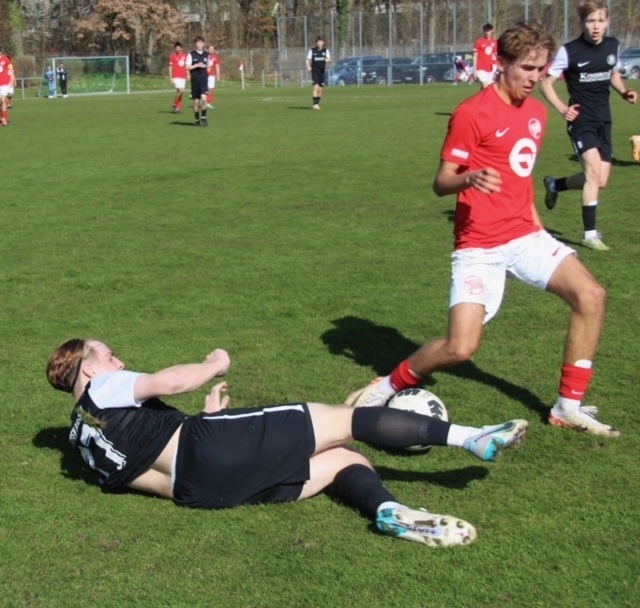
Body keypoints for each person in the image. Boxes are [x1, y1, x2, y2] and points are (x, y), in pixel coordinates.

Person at [347, 21, 619, 439]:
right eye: (527, 68)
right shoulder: (472, 113)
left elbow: (521, 177)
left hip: (525, 235)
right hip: (479, 243)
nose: (535, 78)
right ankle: (385, 387)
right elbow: (442, 182)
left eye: (541, 70)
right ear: (503, 62)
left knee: (591, 296)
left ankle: (568, 407)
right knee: (460, 348)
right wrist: (469, 177)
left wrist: (537, 226)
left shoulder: (536, 113)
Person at [46, 338, 530, 548]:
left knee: (342, 460)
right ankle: (471, 437)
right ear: (88, 369)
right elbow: (170, 382)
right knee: (345, 420)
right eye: (109, 355)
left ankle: (390, 512)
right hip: (203, 446)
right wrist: (216, 364)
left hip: (200, 492)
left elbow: (146, 455)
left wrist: (204, 422)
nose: (119, 360)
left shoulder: (79, 438)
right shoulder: (102, 386)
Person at [540, 0, 638, 252]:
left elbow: (613, 73)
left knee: (599, 180)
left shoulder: (612, 45)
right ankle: (590, 234)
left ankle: (555, 185)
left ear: (607, 22)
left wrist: (624, 91)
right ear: (582, 23)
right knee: (593, 172)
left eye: (600, 21)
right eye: (591, 21)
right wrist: (563, 109)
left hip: (604, 119)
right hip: (581, 120)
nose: (596, 26)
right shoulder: (569, 51)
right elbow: (546, 83)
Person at [186, 36, 210, 126]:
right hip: (195, 80)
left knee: (204, 99)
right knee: (196, 102)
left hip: (203, 80)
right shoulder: (191, 54)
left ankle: (203, 117)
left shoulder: (207, 55)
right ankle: (197, 120)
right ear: (195, 44)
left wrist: (208, 70)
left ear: (203, 44)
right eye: (198, 43)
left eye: (201, 43)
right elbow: (187, 67)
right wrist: (196, 65)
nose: (199, 45)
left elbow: (209, 65)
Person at [306, 36, 331, 110]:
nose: (320, 43)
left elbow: (329, 59)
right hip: (315, 70)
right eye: (318, 42)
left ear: (323, 43)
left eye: (321, 42)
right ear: (316, 43)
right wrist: (308, 67)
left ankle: (317, 102)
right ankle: (315, 104)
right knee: (316, 87)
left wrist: (328, 60)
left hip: (322, 71)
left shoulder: (326, 50)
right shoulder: (312, 50)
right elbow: (307, 59)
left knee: (320, 89)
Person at [473, 23, 498, 89]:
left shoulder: (495, 42)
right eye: (486, 31)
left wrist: (495, 67)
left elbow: (495, 55)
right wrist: (475, 71)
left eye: (489, 31)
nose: (487, 33)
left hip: (490, 69)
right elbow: (475, 56)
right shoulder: (478, 42)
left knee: (487, 88)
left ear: (492, 31)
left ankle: (481, 96)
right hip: (481, 68)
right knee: (485, 86)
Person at [169, 42, 188, 113]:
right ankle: (174, 103)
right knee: (181, 90)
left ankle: (177, 108)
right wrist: (170, 78)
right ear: (175, 49)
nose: (178, 49)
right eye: (176, 48)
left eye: (179, 48)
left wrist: (188, 74)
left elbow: (186, 66)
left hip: (183, 77)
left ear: (181, 48)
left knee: (180, 93)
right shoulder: (173, 56)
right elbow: (170, 67)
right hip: (176, 77)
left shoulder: (185, 56)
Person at [0, 48, 14, 125]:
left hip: (4, 83)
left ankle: (4, 119)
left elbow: (11, 70)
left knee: (3, 100)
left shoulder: (5, 59)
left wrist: (11, 80)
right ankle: (2, 117)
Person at [206, 44, 221, 109]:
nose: (211, 50)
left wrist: (218, 75)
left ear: (214, 50)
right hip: (205, 75)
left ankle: (208, 102)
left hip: (212, 75)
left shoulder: (216, 57)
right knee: (206, 89)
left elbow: (217, 66)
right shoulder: (205, 56)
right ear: (208, 49)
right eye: (210, 49)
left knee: (211, 89)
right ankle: (206, 102)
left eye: (212, 49)